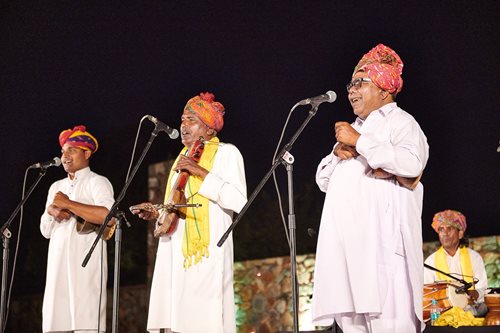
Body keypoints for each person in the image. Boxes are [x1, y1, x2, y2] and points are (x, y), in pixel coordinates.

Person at [311, 44, 429, 332]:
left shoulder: (401, 123)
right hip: (348, 259)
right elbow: (322, 179)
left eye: (359, 82)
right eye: (350, 83)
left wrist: (360, 142)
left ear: (384, 88)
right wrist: (338, 151)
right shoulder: (351, 130)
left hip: (384, 256)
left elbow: (412, 164)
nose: (351, 90)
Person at [132, 92, 247, 333]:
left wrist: (200, 171)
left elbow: (239, 201)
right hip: (176, 253)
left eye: (191, 120)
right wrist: (158, 214)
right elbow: (178, 205)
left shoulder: (227, 153)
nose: (183, 125)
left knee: (205, 321)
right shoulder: (180, 159)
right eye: (182, 119)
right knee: (177, 322)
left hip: (206, 256)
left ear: (209, 128)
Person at [40, 125, 115, 333]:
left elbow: (108, 217)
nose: (65, 156)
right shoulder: (55, 187)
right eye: (63, 151)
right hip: (58, 266)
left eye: (71, 150)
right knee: (56, 322)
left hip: (85, 264)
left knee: (86, 322)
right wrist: (51, 212)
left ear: (87, 152)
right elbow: (45, 231)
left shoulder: (98, 182)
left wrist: (69, 204)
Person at [424, 209, 488, 316]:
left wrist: (476, 293)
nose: (445, 233)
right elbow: (427, 294)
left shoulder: (474, 258)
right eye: (441, 229)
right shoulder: (430, 262)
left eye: (450, 228)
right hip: (443, 313)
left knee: (483, 308)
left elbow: (484, 289)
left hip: (471, 311)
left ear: (460, 234)